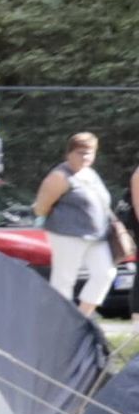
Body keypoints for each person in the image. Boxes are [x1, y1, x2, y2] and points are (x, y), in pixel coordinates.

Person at [39, 130, 120, 316]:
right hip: (67, 235)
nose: (85, 156)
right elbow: (42, 207)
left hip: (97, 236)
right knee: (64, 280)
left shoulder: (90, 174)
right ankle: (59, 321)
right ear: (69, 153)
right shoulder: (60, 176)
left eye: (90, 152)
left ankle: (82, 318)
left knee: (105, 274)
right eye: (80, 152)